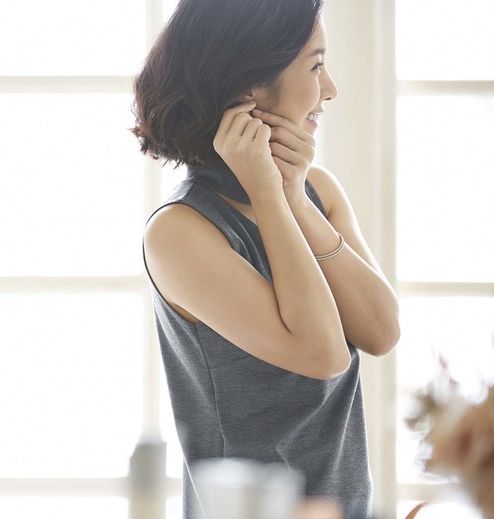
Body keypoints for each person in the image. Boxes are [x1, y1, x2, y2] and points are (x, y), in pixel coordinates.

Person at [132, 0, 401, 517]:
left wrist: (295, 199)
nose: (330, 90)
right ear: (252, 86)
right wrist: (272, 195)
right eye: (316, 66)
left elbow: (382, 330)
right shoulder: (180, 232)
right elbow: (324, 354)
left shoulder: (316, 191)